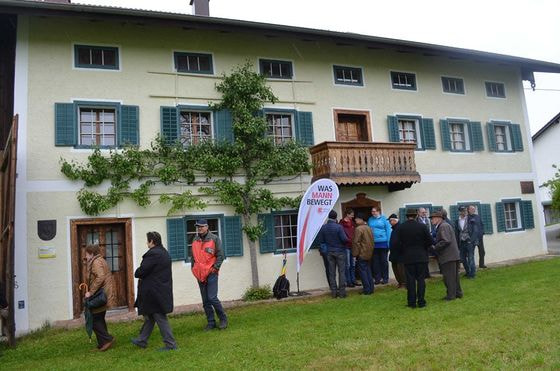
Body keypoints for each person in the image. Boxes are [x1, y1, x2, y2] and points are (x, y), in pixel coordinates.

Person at [132, 231, 177, 351]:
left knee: (159, 316)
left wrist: (137, 271)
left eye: (148, 240)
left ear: (152, 241)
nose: (147, 242)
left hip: (154, 291)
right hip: (159, 289)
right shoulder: (164, 252)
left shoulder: (153, 254)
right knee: (151, 316)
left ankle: (170, 344)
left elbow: (141, 271)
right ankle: (142, 340)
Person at [191, 219, 228, 331]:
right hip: (199, 274)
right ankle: (211, 322)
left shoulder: (214, 239)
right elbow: (193, 256)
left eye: (201, 226)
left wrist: (214, 269)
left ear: (207, 227)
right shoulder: (195, 239)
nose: (199, 228)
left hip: (211, 273)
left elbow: (220, 255)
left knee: (212, 298)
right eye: (198, 227)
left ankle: (223, 319)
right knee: (205, 301)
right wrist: (193, 268)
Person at [393, 208, 433, 308]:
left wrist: (403, 251)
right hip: (421, 256)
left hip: (408, 257)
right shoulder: (422, 226)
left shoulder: (401, 227)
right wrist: (423, 248)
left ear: (407, 216)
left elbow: (396, 243)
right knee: (420, 280)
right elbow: (430, 241)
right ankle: (421, 302)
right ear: (416, 216)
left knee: (410, 280)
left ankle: (411, 302)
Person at [84, 244, 116, 352]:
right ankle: (102, 343)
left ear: (92, 254)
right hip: (103, 294)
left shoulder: (96, 262)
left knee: (94, 319)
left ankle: (107, 339)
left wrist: (91, 292)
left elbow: (100, 277)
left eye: (86, 254)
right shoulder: (99, 260)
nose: (86, 257)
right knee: (99, 318)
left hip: (100, 295)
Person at [430, 211, 463, 300]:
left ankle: (451, 295)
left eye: (432, 218)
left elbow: (446, 240)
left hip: (448, 256)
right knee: (454, 277)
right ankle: (458, 293)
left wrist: (435, 247)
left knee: (449, 277)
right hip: (452, 255)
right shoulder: (444, 225)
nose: (431, 220)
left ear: (438, 218)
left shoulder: (443, 226)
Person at [316, 210, 349, 298]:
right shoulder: (339, 227)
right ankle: (342, 293)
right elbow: (345, 239)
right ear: (336, 217)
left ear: (328, 217)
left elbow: (321, 241)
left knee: (331, 273)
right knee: (341, 272)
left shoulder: (323, 227)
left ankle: (334, 292)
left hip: (329, 252)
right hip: (340, 251)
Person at [351, 213, 374, 295]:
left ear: (361, 219)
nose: (355, 220)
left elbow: (356, 242)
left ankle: (367, 290)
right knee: (368, 271)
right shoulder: (369, 228)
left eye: (356, 219)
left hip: (362, 253)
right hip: (369, 253)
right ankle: (371, 288)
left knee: (363, 272)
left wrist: (354, 254)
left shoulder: (359, 229)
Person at [368, 206, 392, 284]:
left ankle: (385, 278)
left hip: (383, 243)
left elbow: (388, 231)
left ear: (379, 211)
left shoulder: (384, 219)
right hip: (374, 243)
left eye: (374, 211)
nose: (373, 213)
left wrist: (388, 243)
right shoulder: (370, 219)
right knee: (375, 262)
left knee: (383, 261)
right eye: (372, 211)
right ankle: (377, 278)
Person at [455, 206, 480, 279]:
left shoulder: (471, 220)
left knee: (470, 258)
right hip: (461, 242)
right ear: (459, 212)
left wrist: (471, 241)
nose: (465, 212)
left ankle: (472, 274)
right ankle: (468, 272)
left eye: (465, 211)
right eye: (463, 211)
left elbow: (475, 231)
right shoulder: (457, 221)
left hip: (469, 241)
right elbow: (457, 233)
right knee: (462, 258)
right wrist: (457, 243)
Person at [339, 208, 358, 287]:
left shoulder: (353, 223)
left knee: (353, 264)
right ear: (347, 214)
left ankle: (353, 280)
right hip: (346, 246)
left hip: (353, 246)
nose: (353, 216)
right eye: (351, 215)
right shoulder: (341, 224)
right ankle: (348, 281)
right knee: (348, 265)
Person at [388, 213, 406, 288]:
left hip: (400, 253)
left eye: (390, 221)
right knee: (395, 269)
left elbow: (401, 241)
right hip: (394, 253)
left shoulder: (400, 228)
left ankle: (404, 284)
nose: (390, 222)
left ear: (394, 221)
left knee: (401, 270)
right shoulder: (394, 229)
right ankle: (400, 283)